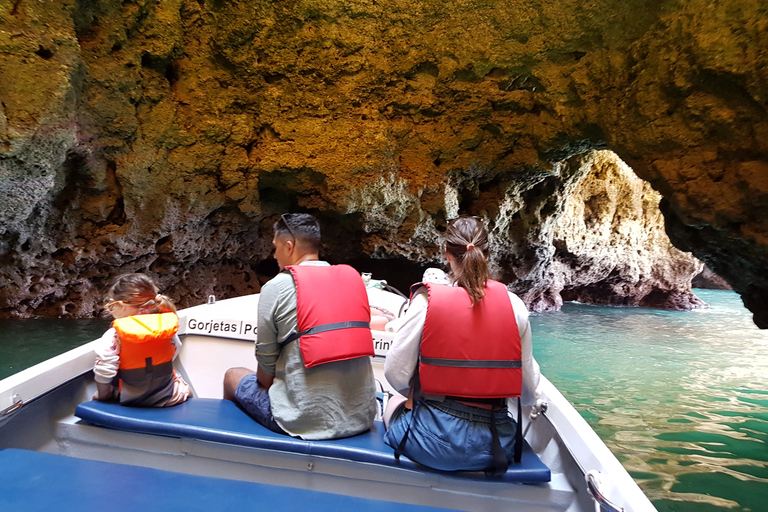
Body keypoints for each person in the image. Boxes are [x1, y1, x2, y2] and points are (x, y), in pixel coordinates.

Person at [383, 216, 541, 473]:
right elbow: (528, 389)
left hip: (432, 442)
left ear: (447, 254)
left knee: (391, 402)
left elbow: (395, 373)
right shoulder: (514, 306)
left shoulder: (426, 302)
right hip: (497, 445)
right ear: (487, 253)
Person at [223, 213, 377, 440]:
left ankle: (232, 450)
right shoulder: (354, 281)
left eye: (276, 248)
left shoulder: (276, 287)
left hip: (301, 421)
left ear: (289, 246)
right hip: (361, 417)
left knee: (232, 376)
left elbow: (265, 377)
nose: (274, 255)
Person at [93, 273, 191, 407]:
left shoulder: (114, 334)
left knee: (102, 394)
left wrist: (103, 395)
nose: (110, 310)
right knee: (185, 389)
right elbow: (175, 349)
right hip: (170, 397)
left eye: (111, 305)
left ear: (122, 305)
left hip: (129, 399)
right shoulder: (165, 326)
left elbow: (104, 370)